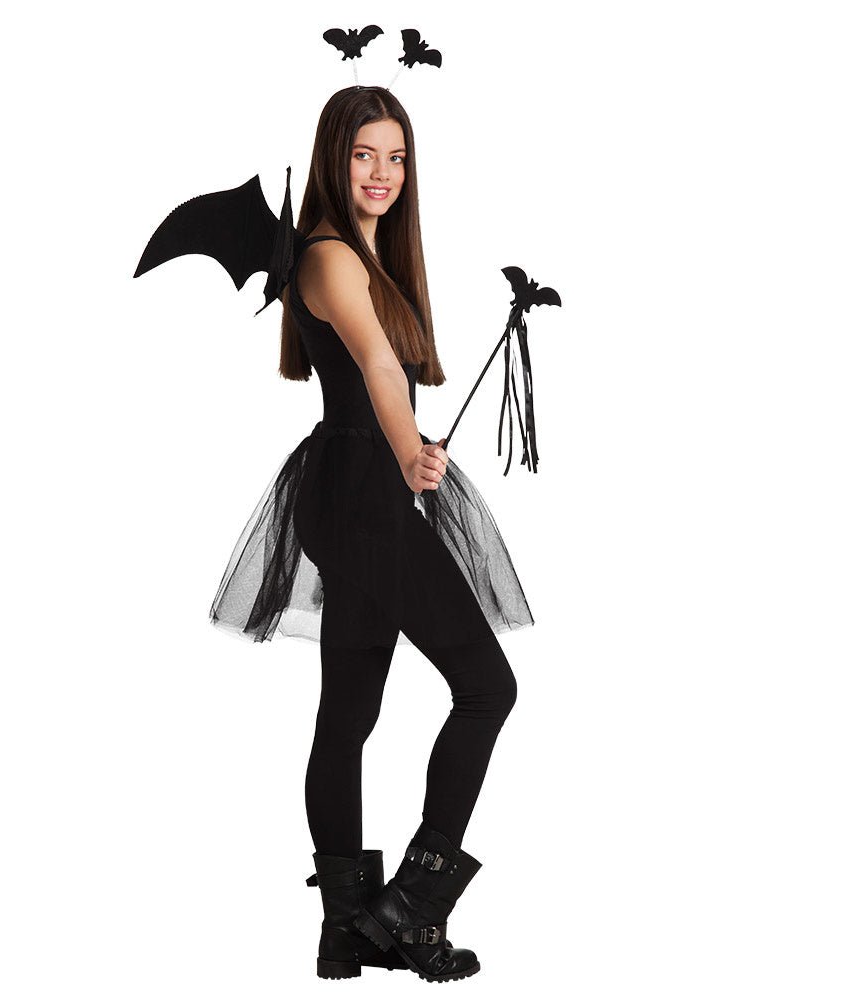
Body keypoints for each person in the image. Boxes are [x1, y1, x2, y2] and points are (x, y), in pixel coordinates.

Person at [208, 86, 535, 983]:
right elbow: (381, 365)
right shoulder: (326, 255)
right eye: (364, 155)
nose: (382, 173)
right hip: (360, 490)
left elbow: (389, 365)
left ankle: (347, 927)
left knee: (348, 717)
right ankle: (413, 911)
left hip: (352, 488)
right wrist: (408, 448)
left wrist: (406, 453)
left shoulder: (367, 252)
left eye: (396, 157)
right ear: (333, 157)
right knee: (487, 687)